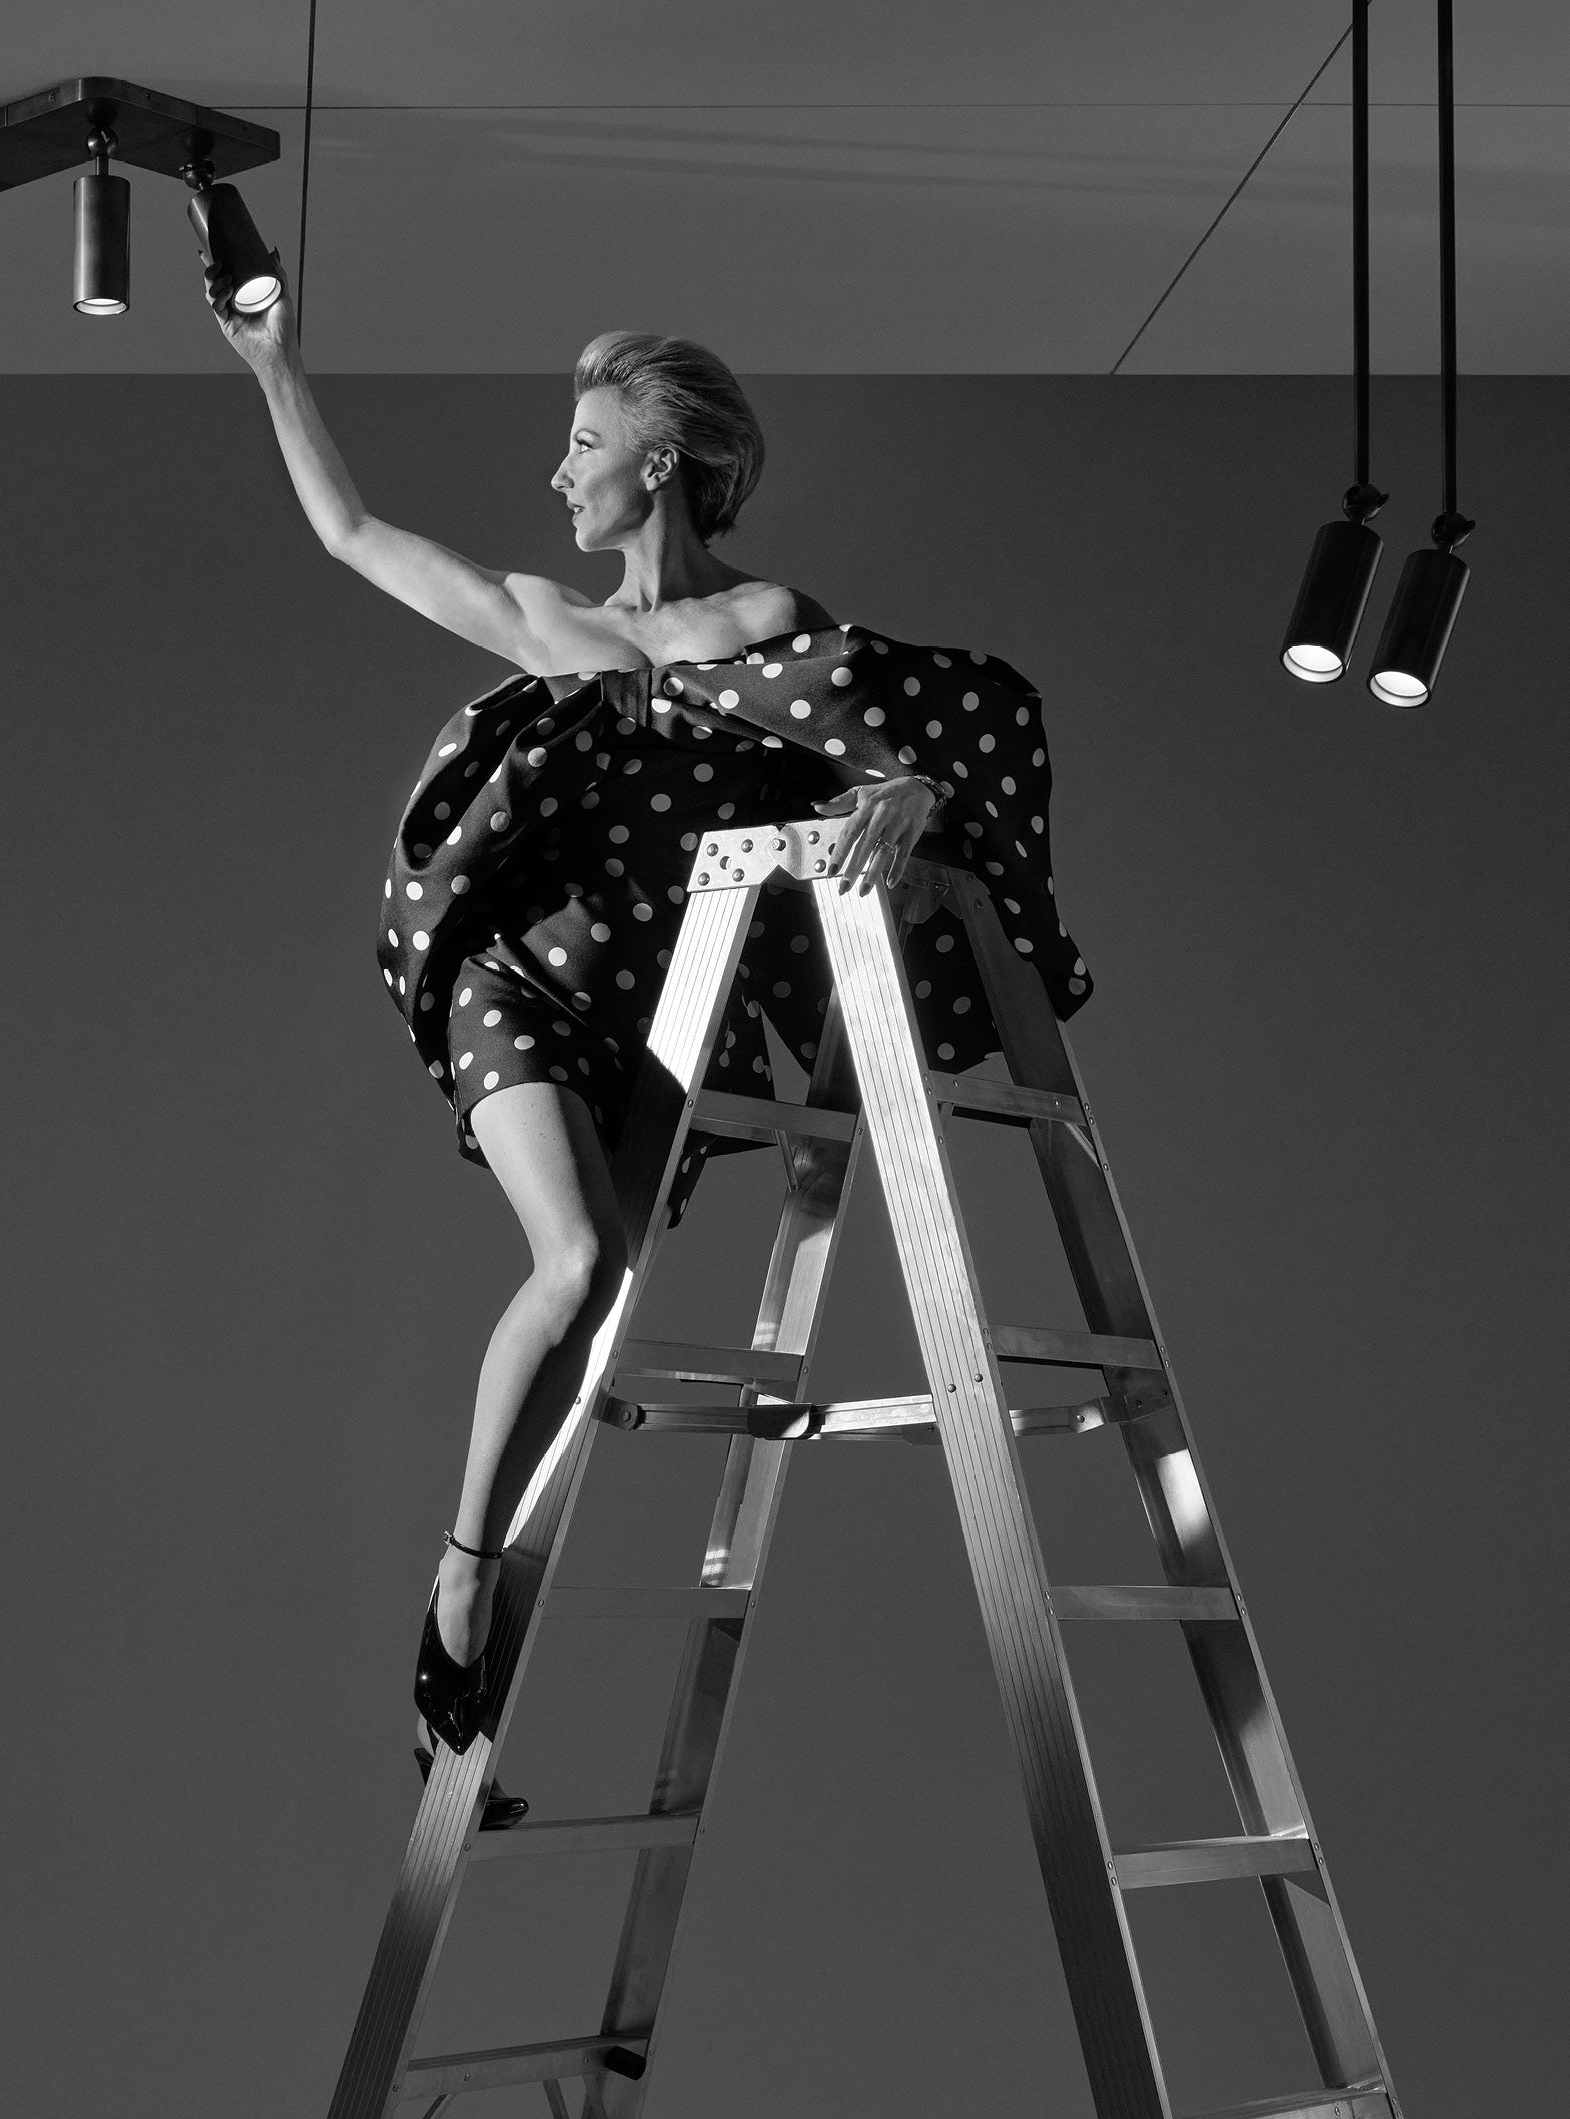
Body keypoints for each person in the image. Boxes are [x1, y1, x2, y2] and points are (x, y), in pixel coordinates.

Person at [202, 258, 1090, 1816]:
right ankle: (460, 1583)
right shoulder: (546, 617)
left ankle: (466, 1704)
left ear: (658, 460)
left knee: (604, 1315)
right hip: (517, 988)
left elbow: (914, 733)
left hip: (655, 1025)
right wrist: (275, 368)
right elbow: (352, 536)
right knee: (574, 1270)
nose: (557, 472)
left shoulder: (770, 623)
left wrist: (907, 789)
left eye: (581, 442)